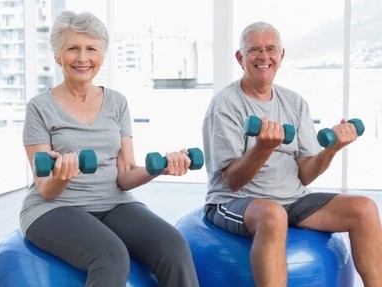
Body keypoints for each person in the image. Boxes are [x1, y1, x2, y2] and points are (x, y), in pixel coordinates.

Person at [21, 11, 199, 287]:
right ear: (57, 56)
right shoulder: (39, 107)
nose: (82, 58)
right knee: (111, 256)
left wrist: (161, 166)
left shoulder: (117, 102)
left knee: (174, 247)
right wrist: (61, 175)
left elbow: (125, 173)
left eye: (91, 48)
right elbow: (45, 187)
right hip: (55, 207)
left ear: (101, 56)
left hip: (113, 202)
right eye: (72, 49)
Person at [202, 21, 382, 287]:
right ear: (240, 57)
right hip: (233, 200)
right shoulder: (225, 105)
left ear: (281, 55)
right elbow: (232, 181)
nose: (264, 57)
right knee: (273, 214)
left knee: (364, 208)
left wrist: (331, 150)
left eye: (271, 49)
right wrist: (263, 148)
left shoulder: (295, 103)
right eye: (254, 50)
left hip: (293, 199)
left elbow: (305, 174)